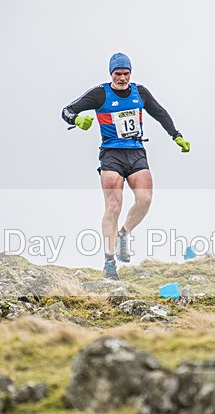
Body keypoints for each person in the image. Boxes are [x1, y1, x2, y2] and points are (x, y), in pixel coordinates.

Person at [62, 53, 190, 280]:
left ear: (131, 73)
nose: (122, 78)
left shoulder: (140, 92)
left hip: (136, 151)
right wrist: (77, 120)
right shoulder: (100, 93)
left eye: (126, 73)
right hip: (111, 154)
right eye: (118, 74)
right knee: (113, 205)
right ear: (111, 74)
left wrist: (176, 136)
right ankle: (109, 261)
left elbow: (160, 113)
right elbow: (67, 110)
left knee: (145, 199)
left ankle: (124, 233)